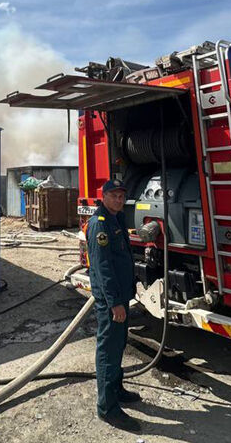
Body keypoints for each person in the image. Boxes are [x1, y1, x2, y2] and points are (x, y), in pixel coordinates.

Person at [86, 179, 141, 432]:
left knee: (118, 344)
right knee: (108, 350)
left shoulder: (116, 219)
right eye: (114, 196)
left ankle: (116, 389)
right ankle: (107, 408)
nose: (119, 200)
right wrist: (115, 303)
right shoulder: (100, 224)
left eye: (122, 196)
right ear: (104, 196)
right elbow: (103, 268)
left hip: (121, 296)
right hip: (111, 301)